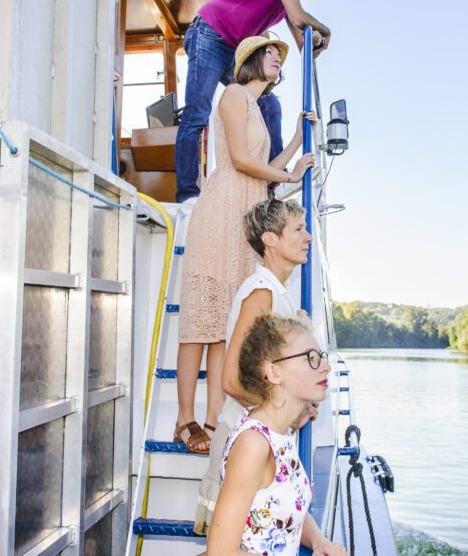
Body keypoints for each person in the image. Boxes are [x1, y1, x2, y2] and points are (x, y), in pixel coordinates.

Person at [174, 35, 315, 455]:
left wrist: (295, 143)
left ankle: (216, 418)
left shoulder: (256, 107)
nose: (277, 59)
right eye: (271, 53)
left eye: (278, 55)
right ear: (252, 60)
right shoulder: (234, 94)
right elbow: (238, 158)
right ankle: (185, 418)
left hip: (247, 214)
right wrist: (289, 177)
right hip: (221, 211)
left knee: (224, 325)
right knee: (200, 321)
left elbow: (265, 172)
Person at [175, 0, 334, 202]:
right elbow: (298, 16)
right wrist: (326, 30)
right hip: (209, 34)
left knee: (269, 105)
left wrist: (314, 42)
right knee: (197, 113)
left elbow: (303, 46)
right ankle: (187, 194)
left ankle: (275, 180)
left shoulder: (284, 1)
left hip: (232, 51)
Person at [193, 198, 317, 533]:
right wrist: (284, 411)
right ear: (270, 239)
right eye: (298, 229)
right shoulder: (261, 293)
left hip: (263, 446)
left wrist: (296, 409)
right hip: (244, 448)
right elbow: (232, 380)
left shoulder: (279, 295)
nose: (308, 237)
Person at [206, 314, 345, 556]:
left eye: (321, 357)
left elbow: (285, 511)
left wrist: (319, 542)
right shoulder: (254, 444)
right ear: (274, 373)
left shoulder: (280, 432)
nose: (326, 366)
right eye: (311, 358)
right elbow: (220, 553)